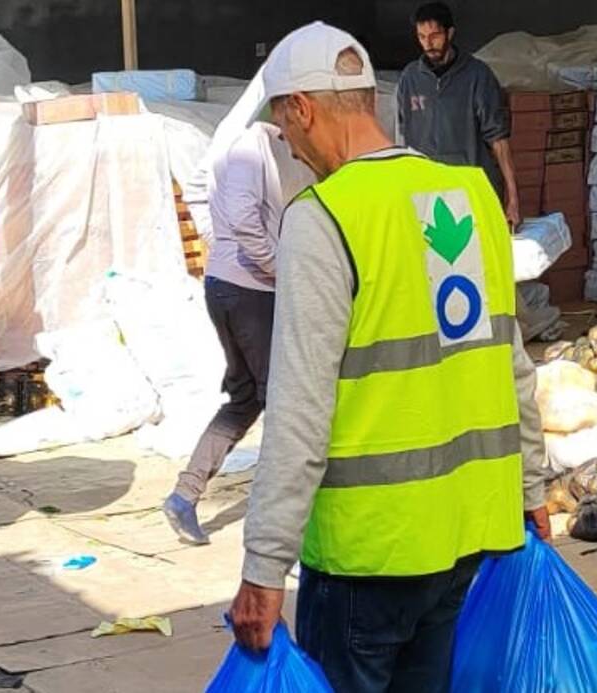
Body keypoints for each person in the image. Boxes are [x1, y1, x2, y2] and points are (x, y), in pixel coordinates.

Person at [228, 22, 551, 692]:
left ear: (303, 109)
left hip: (368, 554)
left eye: (283, 126)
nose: (287, 144)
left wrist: (263, 566)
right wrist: (532, 488)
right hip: (466, 536)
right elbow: (512, 363)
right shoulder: (471, 196)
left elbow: (298, 409)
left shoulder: (324, 217)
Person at [161, 122, 304, 545]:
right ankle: (283, 523)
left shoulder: (250, 146)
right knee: (282, 401)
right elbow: (242, 219)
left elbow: (200, 194)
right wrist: (277, 267)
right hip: (251, 292)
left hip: (229, 285)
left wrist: (223, 248)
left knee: (246, 399)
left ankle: (185, 496)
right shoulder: (249, 148)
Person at [396, 2, 522, 225]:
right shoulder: (410, 78)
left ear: (450, 33)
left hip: (471, 190)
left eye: (435, 36)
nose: (428, 44)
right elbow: (403, 139)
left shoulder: (477, 76)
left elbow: (499, 140)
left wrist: (513, 199)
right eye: (422, 37)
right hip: (427, 194)